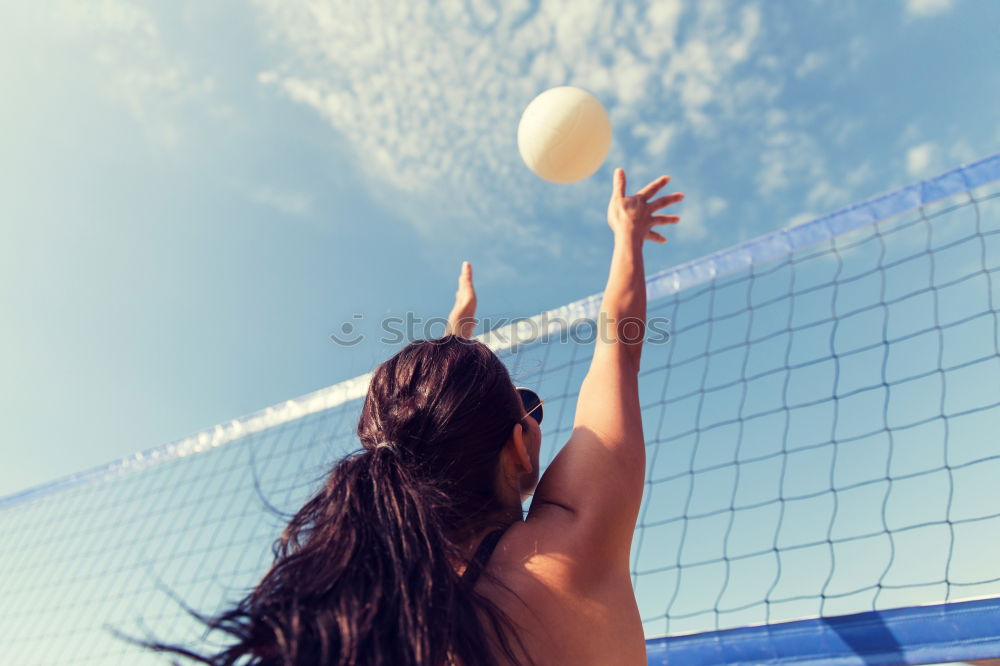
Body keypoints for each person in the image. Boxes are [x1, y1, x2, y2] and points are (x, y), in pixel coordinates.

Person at [146, 169, 681, 665]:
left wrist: (456, 339)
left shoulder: (391, 620)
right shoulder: (572, 545)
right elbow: (618, 347)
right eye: (528, 412)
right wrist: (626, 235)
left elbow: (430, 431)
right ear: (519, 446)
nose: (535, 420)